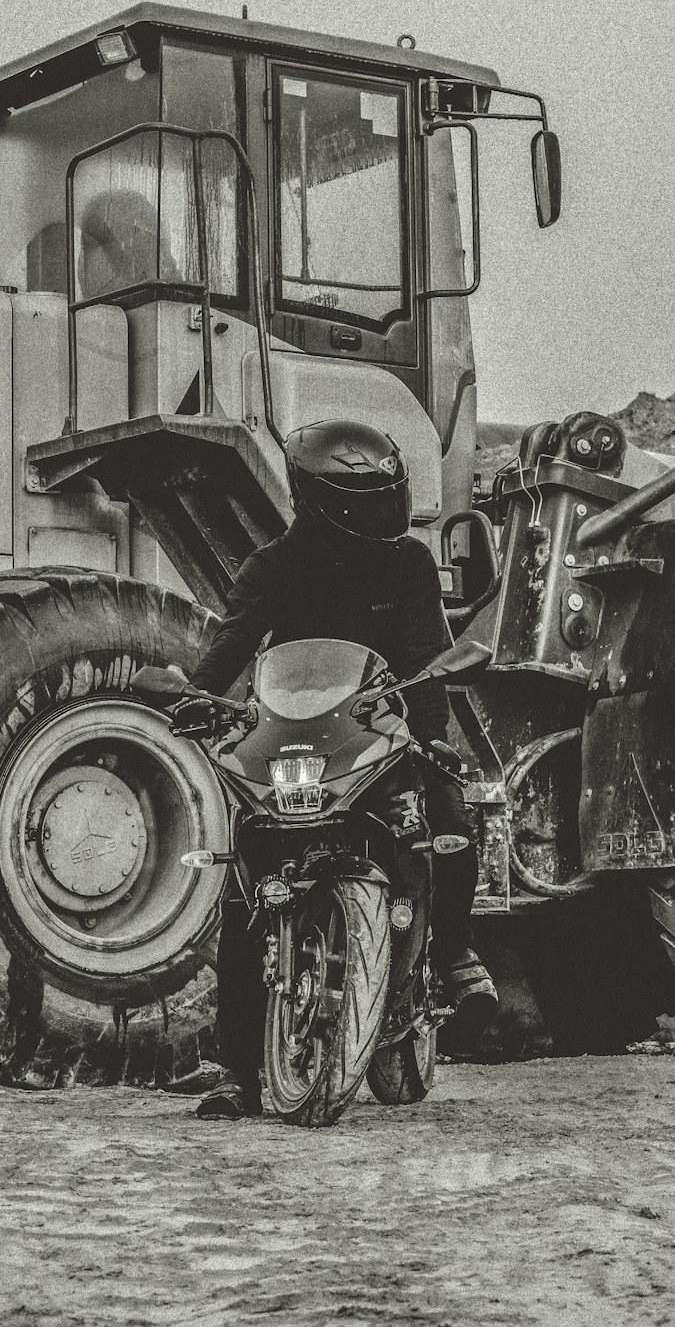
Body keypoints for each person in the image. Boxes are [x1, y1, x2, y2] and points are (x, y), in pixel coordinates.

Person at [181, 419, 498, 1119]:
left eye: (385, 493)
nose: (378, 508)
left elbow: (425, 657)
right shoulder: (273, 566)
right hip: (296, 732)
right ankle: (237, 1070)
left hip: (380, 725)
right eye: (361, 498)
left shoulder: (409, 563)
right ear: (318, 501)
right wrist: (196, 699)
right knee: (246, 878)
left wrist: (435, 738)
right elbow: (231, 642)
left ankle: (453, 951)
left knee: (451, 813)